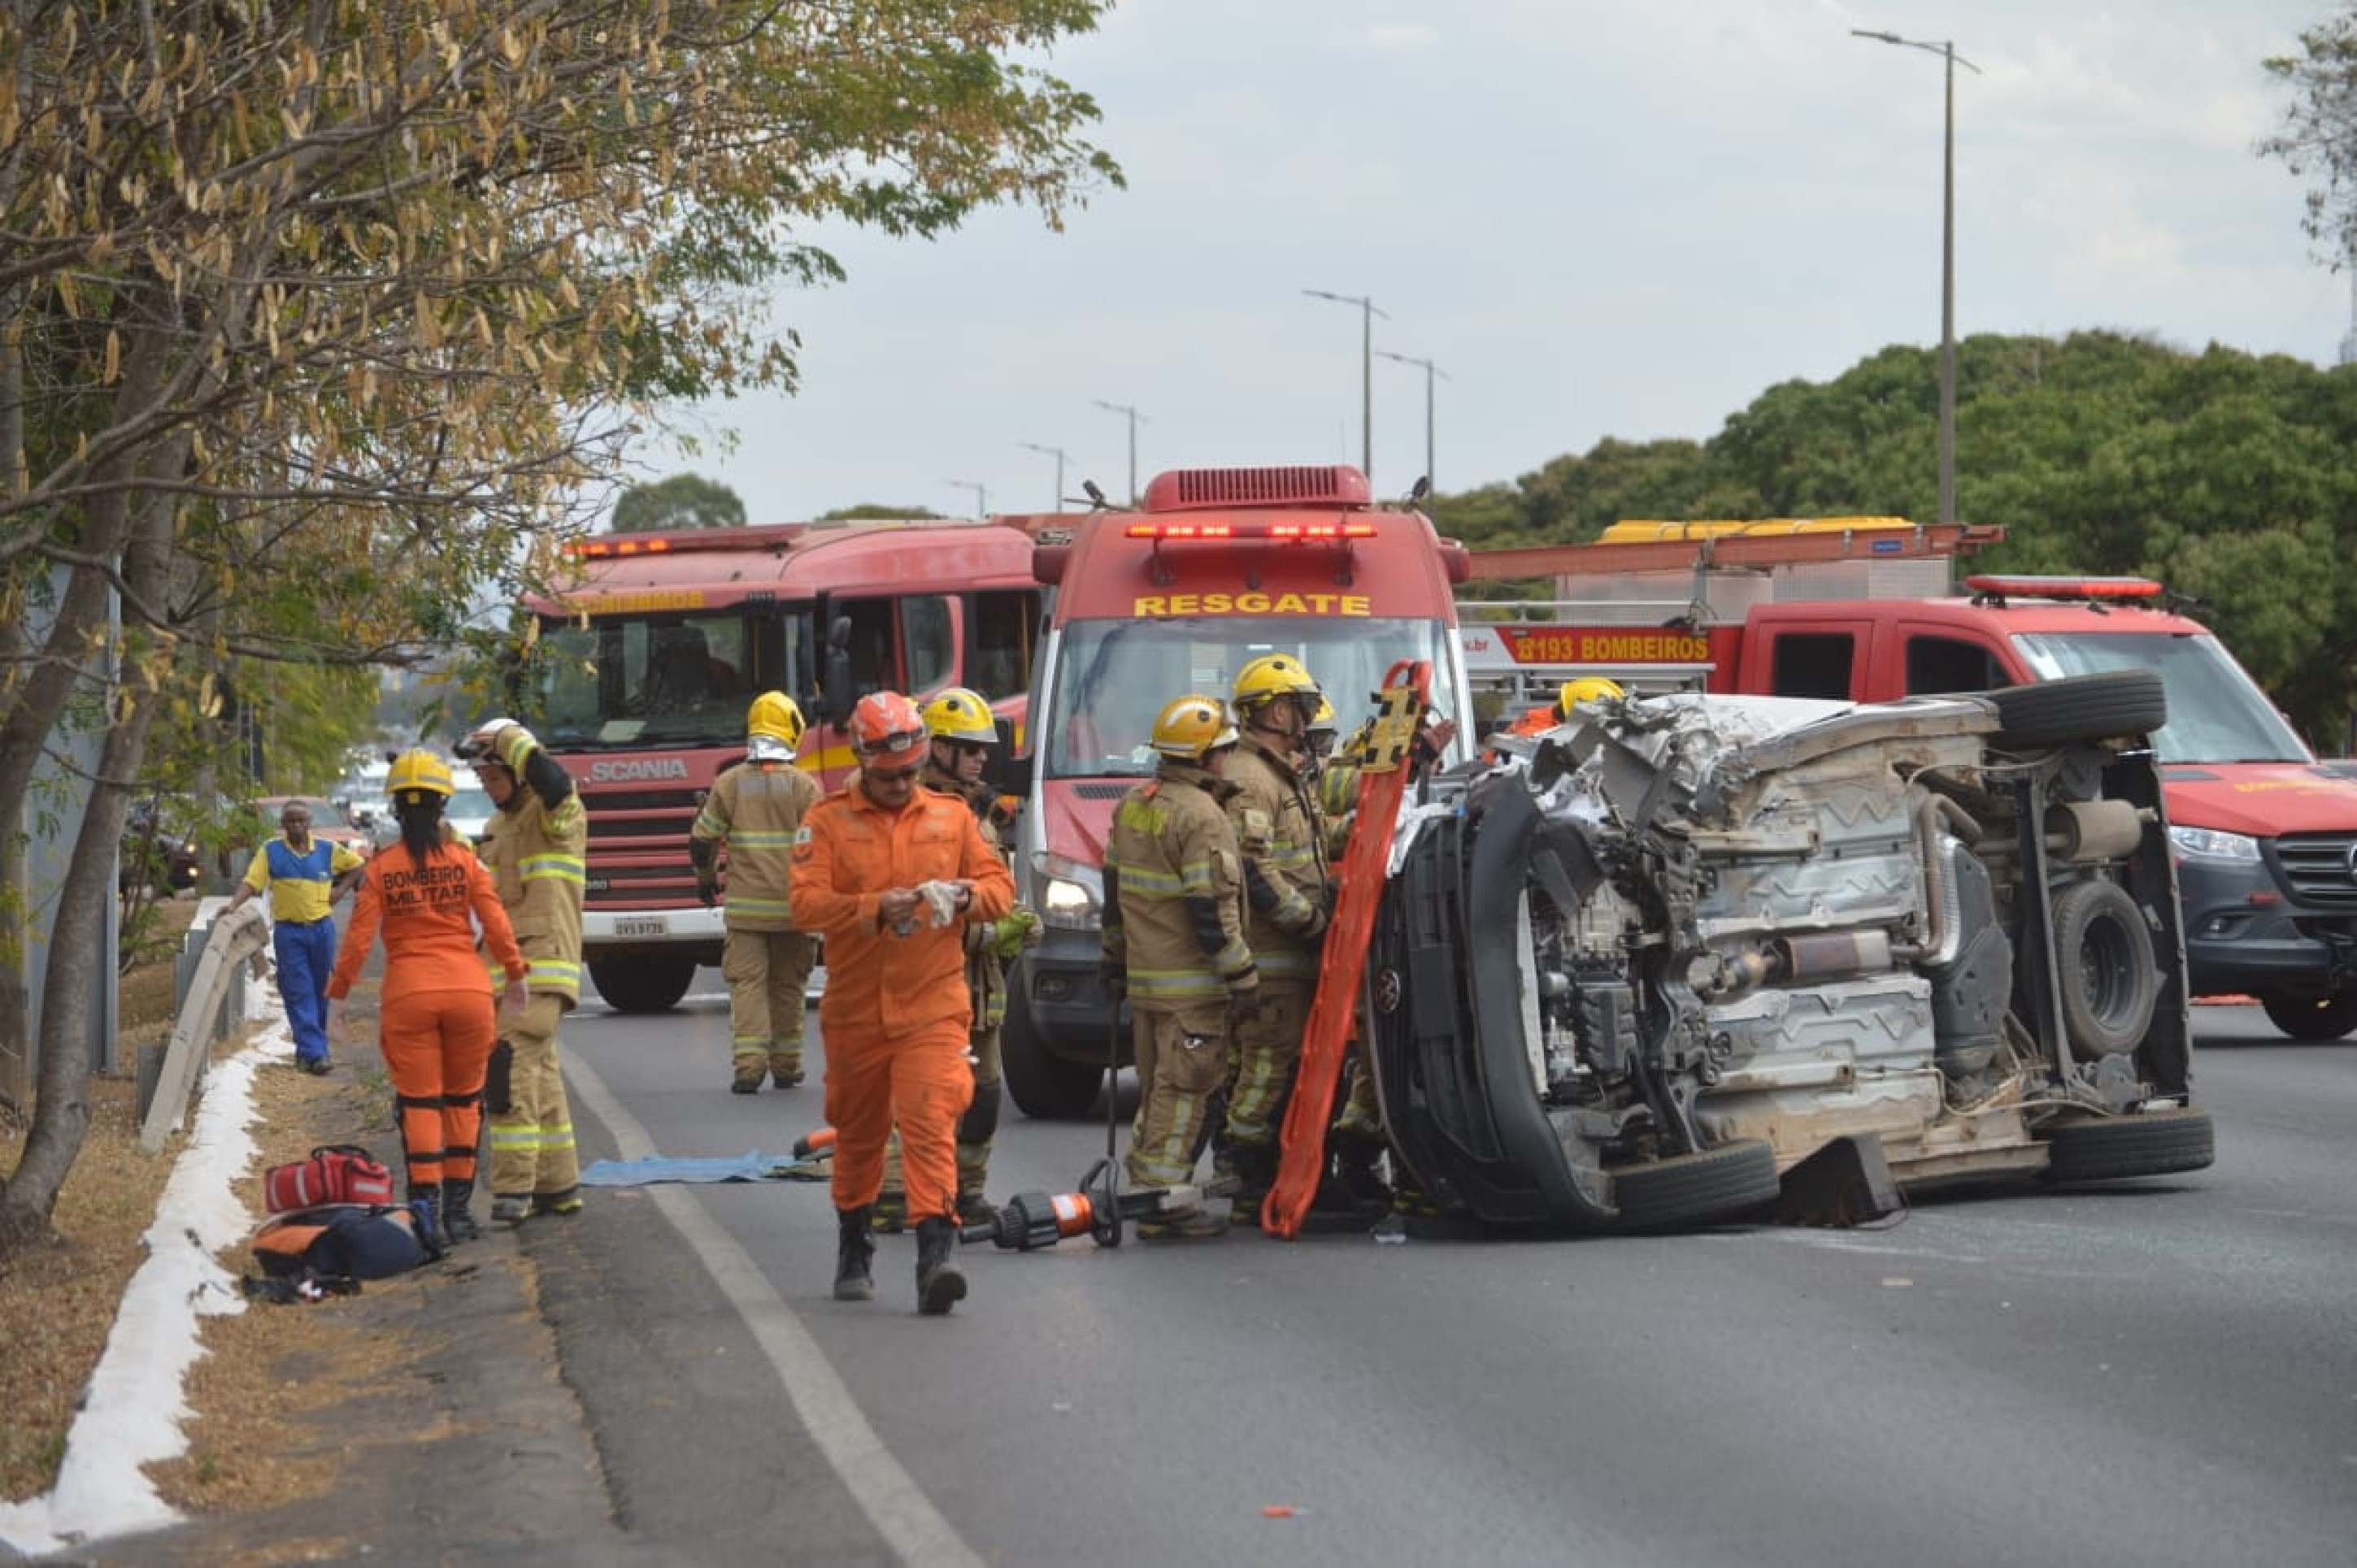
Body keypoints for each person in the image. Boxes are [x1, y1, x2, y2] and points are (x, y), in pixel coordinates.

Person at [789, 691, 1015, 1315]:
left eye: (911, 773)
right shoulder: (827, 821)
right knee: (859, 1134)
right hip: (856, 1009)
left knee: (930, 1119)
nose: (900, 784)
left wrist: (965, 896)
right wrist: (869, 909)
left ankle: (935, 1256)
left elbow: (1001, 888)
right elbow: (804, 905)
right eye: (888, 775)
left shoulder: (951, 817)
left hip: (933, 1005)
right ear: (861, 759)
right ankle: (853, 1243)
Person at [325, 750, 528, 1247]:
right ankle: (460, 1213)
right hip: (468, 992)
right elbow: (497, 923)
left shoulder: (381, 869)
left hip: (408, 995)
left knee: (419, 1105)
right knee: (463, 1101)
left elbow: (357, 939)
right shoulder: (465, 862)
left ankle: (427, 1212)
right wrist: (517, 975)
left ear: (396, 808)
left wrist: (337, 997)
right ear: (442, 806)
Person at [874, 688, 1041, 1231]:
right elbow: (919, 913)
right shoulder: (916, 816)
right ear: (936, 749)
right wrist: (993, 930)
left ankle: (968, 1192)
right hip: (928, 981)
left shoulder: (977, 812)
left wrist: (1015, 922)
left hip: (982, 986)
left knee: (985, 1093)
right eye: (967, 748)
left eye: (981, 749)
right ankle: (895, 1194)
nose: (979, 758)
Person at [1100, 695, 1255, 1239]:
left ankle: (1150, 1191)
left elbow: (1112, 890)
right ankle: (1161, 1204)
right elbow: (1210, 909)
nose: (1228, 758)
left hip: (1145, 983)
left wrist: (1112, 957)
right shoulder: (1201, 815)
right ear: (1205, 756)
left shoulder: (1134, 804)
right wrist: (1242, 977)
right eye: (1223, 749)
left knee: (1160, 1092)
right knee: (1186, 1093)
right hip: (1192, 989)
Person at [455, 718, 589, 1224]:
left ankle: (513, 1191)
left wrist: (510, 737)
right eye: (482, 781)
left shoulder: (556, 812)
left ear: (518, 770)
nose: (488, 790)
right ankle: (558, 1185)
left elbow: (556, 784)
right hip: (506, 974)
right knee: (541, 1079)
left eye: (494, 778)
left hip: (541, 971)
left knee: (506, 1073)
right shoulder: (496, 828)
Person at [1214, 654, 1334, 1214]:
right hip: (1272, 952)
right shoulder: (1247, 777)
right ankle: (1243, 1173)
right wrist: (1308, 922)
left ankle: (1262, 1170)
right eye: (1300, 706)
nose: (1307, 719)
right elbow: (1253, 869)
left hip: (1292, 951)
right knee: (1266, 1063)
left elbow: (1311, 844)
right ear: (1274, 709)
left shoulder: (1281, 771)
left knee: (1277, 1062)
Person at [692, 692, 821, 1094]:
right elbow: (825, 846)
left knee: (748, 987)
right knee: (788, 986)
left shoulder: (729, 784)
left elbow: (702, 839)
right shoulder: (805, 787)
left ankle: (748, 1068)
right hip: (794, 909)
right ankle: (787, 1065)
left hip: (746, 914)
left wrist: (705, 877)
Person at [229, 799, 366, 1075]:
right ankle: (316, 1053)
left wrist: (340, 891)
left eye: (301, 821)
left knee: (319, 991)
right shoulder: (271, 851)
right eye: (291, 822)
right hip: (289, 932)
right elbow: (252, 882)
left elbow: (358, 865)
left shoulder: (327, 850)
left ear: (310, 823)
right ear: (283, 825)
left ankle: (309, 1051)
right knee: (298, 990)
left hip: (321, 929)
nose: (297, 826)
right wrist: (233, 906)